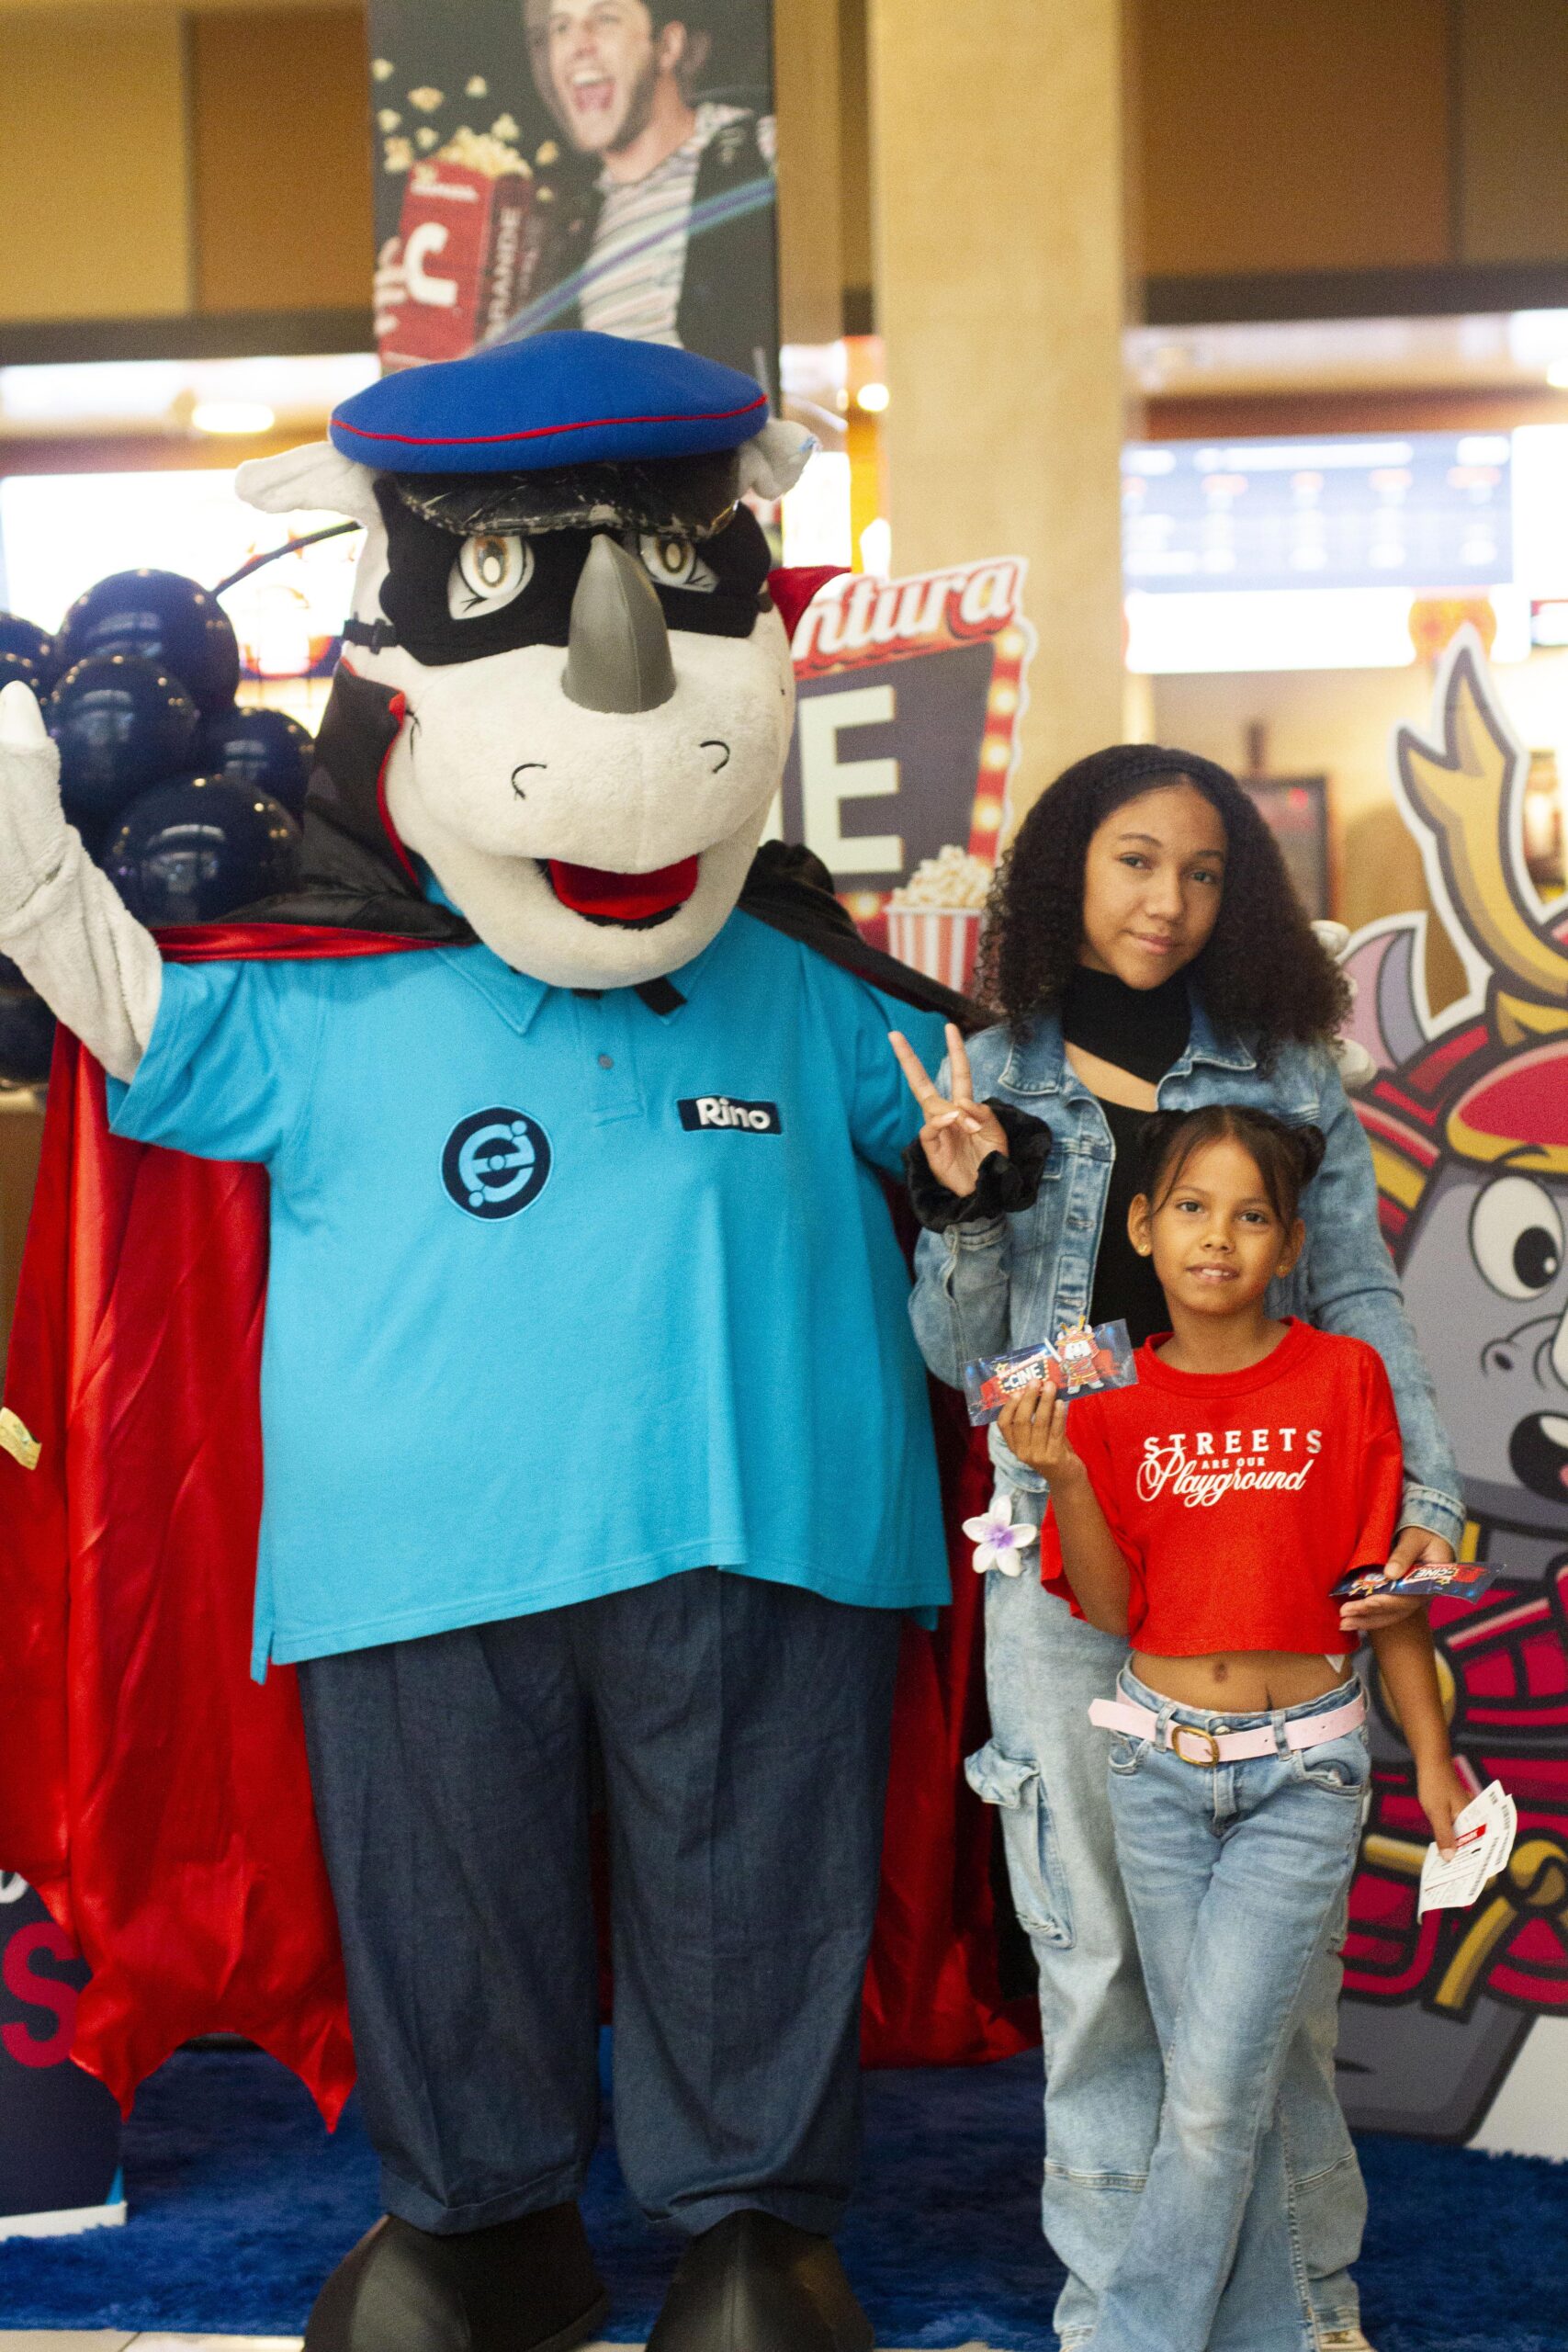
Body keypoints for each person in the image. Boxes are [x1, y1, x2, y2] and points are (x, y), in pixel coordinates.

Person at [890, 743, 1464, 2352]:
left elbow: (1352, 1294)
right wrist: (961, 1208)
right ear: (1066, 868)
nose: (1168, 902)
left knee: (1269, 1984)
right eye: (1135, 861)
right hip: (1068, 1561)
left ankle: (1306, 2300)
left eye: (1203, 873)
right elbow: (963, 1360)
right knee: (1092, 1959)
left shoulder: (1285, 1069)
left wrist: (1421, 1495)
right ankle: (1112, 2310)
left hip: (1265, 1549)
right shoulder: (991, 1067)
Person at [996, 1104, 1466, 2352]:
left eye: (1251, 1215)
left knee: (1210, 2096)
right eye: (1192, 1209)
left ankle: (1134, 2339)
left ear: (1291, 1243)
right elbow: (1112, 1610)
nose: (1218, 1236)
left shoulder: (1341, 1378)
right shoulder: (1104, 1403)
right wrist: (1064, 1475)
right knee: (1219, 2087)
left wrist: (1432, 1759)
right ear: (1142, 1229)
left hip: (1301, 1776)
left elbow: (1386, 1598)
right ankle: (1277, 2335)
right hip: (1154, 1772)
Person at [512, 0, 778, 382]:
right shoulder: (570, 231)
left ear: (667, 47)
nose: (577, 46)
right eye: (561, 28)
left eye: (605, 19)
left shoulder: (762, 151)